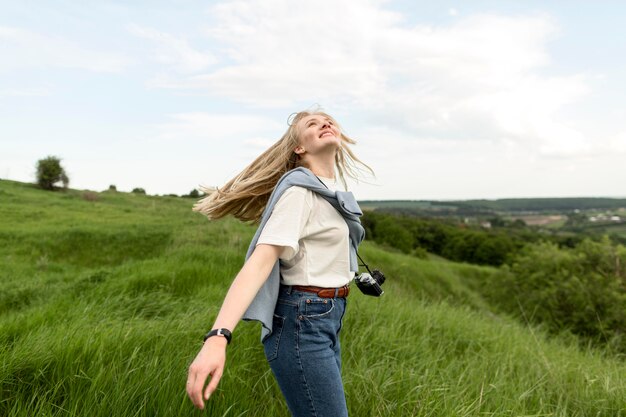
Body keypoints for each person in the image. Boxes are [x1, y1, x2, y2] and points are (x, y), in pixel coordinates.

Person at [186, 109, 373, 416]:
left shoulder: (324, 191)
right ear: (299, 147)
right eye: (312, 124)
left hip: (326, 318)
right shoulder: (300, 193)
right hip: (303, 322)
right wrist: (218, 337)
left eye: (328, 120)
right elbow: (259, 263)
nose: (325, 123)